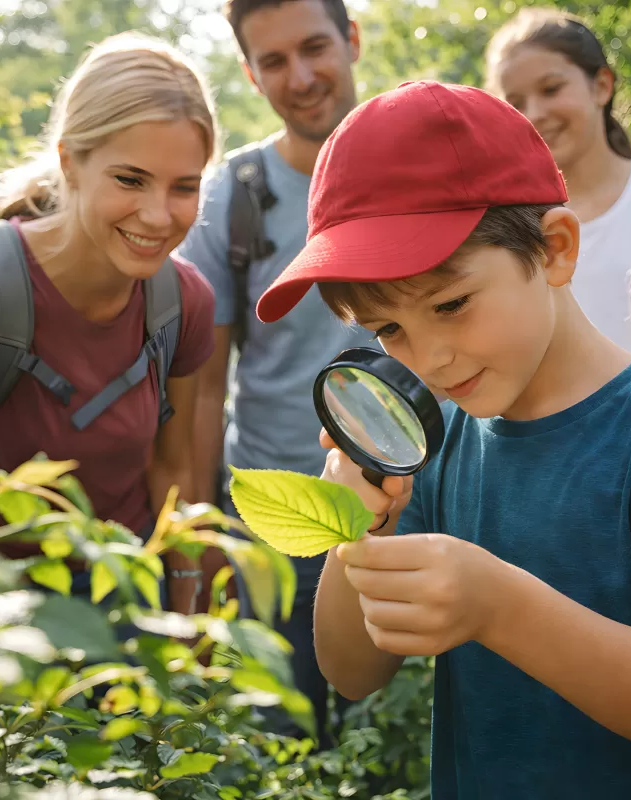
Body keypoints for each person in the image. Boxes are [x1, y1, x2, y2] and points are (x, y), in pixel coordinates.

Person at [255, 80, 631, 798]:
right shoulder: (438, 441)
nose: (430, 359)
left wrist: (500, 607)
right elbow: (354, 671)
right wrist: (356, 529)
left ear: (555, 250)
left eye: (451, 304)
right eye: (389, 330)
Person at [0, 33, 217, 612]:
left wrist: (189, 610)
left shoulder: (183, 303)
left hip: (123, 592)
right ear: (70, 162)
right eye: (130, 180)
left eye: (184, 187)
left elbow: (173, 469)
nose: (160, 216)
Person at [175, 0, 370, 743]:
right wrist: (201, 550)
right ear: (252, 76)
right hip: (271, 526)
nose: (302, 76)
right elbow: (201, 393)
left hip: (406, 513)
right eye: (274, 61)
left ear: (351, 39)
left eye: (315, 47)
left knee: (395, 750)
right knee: (278, 748)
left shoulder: (411, 163)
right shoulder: (233, 194)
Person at [484, 8, 631, 358]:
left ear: (602, 86)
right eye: (515, 103)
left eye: (551, 88)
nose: (534, 114)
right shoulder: (507, 225)